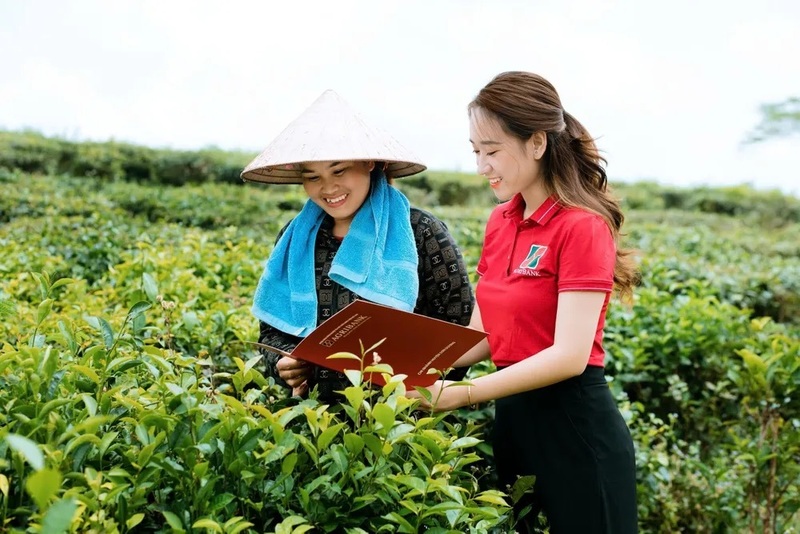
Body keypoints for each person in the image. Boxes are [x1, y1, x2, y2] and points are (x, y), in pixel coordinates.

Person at [410, 71, 640, 533]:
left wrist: (460, 393)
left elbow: (569, 356)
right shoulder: (501, 221)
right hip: (515, 422)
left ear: (537, 143)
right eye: (475, 151)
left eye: (492, 151)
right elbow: (483, 335)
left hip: (575, 426)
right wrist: (405, 367)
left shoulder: (582, 226)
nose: (481, 166)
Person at [241, 89, 473, 403]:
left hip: (401, 422)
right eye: (313, 177)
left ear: (368, 163)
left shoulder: (421, 231)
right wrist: (284, 364)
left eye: (339, 170)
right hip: (313, 422)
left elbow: (458, 328)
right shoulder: (295, 239)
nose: (328, 188)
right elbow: (272, 329)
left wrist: (421, 394)